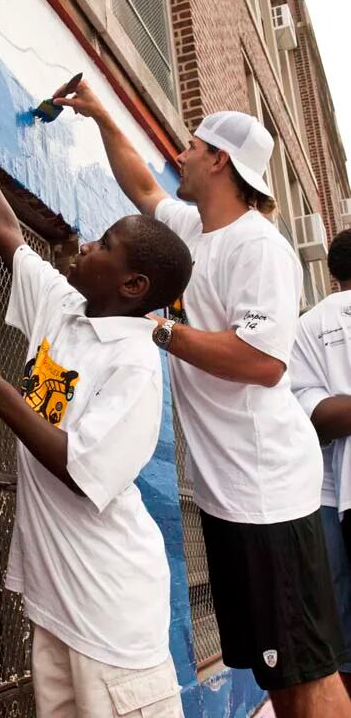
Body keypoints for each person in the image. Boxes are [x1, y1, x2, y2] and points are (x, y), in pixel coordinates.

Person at [53, 82, 351, 718]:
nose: (178, 155)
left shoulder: (260, 246)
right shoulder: (195, 228)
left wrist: (156, 328)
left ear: (220, 160)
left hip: (268, 493)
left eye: (190, 146)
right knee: (278, 673)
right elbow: (143, 188)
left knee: (307, 673)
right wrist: (102, 113)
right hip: (228, 494)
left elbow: (264, 363)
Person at [0, 100, 193, 718]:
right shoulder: (65, 310)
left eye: (104, 245)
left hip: (111, 619)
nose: (86, 246)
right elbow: (8, 237)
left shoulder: (133, 367)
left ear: (133, 287)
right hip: (57, 603)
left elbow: (83, 472)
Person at [290, 228, 351, 697]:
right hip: (331, 495)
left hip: (329, 496)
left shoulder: (309, 325)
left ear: (331, 272)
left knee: (340, 636)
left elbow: (310, 415)